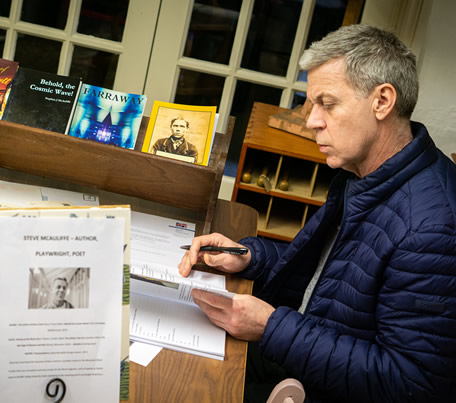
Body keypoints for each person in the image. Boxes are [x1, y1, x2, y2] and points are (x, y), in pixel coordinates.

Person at [178, 24, 456, 402]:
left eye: (328, 103)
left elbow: (410, 383)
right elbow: (329, 279)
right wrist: (248, 256)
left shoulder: (433, 226)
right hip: (298, 358)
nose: (311, 120)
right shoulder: (362, 171)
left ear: (382, 101)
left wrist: (271, 327)